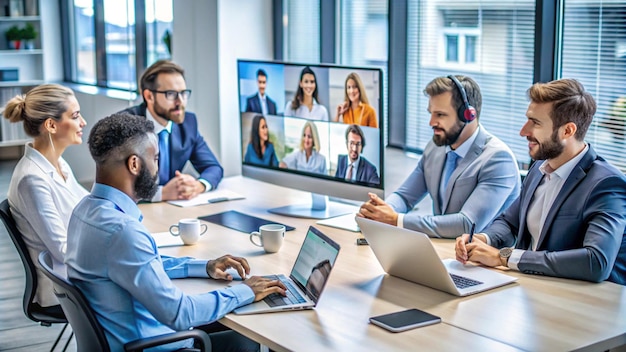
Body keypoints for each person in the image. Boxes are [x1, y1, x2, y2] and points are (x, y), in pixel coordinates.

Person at [66, 112, 286, 351]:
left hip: (124, 341)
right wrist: (245, 290)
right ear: (134, 164)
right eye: (156, 158)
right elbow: (180, 314)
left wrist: (205, 266)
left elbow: (143, 264)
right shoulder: (123, 231)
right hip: (156, 346)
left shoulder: (83, 211)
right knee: (249, 334)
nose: (158, 169)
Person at [455, 79, 626, 285]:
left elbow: (596, 261)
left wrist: (504, 257)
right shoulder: (538, 168)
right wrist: (483, 240)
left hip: (583, 303)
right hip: (532, 289)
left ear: (567, 131)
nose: (523, 131)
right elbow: (510, 222)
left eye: (535, 123)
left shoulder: (607, 184)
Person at [358, 75, 521, 239]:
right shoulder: (436, 147)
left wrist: (395, 219)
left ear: (468, 115)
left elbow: (466, 224)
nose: (431, 122)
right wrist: (380, 210)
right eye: (431, 113)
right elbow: (405, 197)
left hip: (481, 260)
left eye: (440, 115)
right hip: (444, 249)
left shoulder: (498, 159)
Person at [4, 84, 88, 318]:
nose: (83, 123)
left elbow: (90, 207)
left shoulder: (59, 164)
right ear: (51, 125)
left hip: (79, 273)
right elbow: (63, 251)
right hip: (64, 288)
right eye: (75, 116)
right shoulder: (31, 179)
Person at [121, 59, 223, 202]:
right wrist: (160, 193)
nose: (180, 102)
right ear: (149, 96)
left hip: (170, 210)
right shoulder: (125, 125)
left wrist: (198, 185)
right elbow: (117, 186)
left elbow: (214, 168)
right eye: (171, 94)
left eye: (183, 93)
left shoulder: (188, 123)